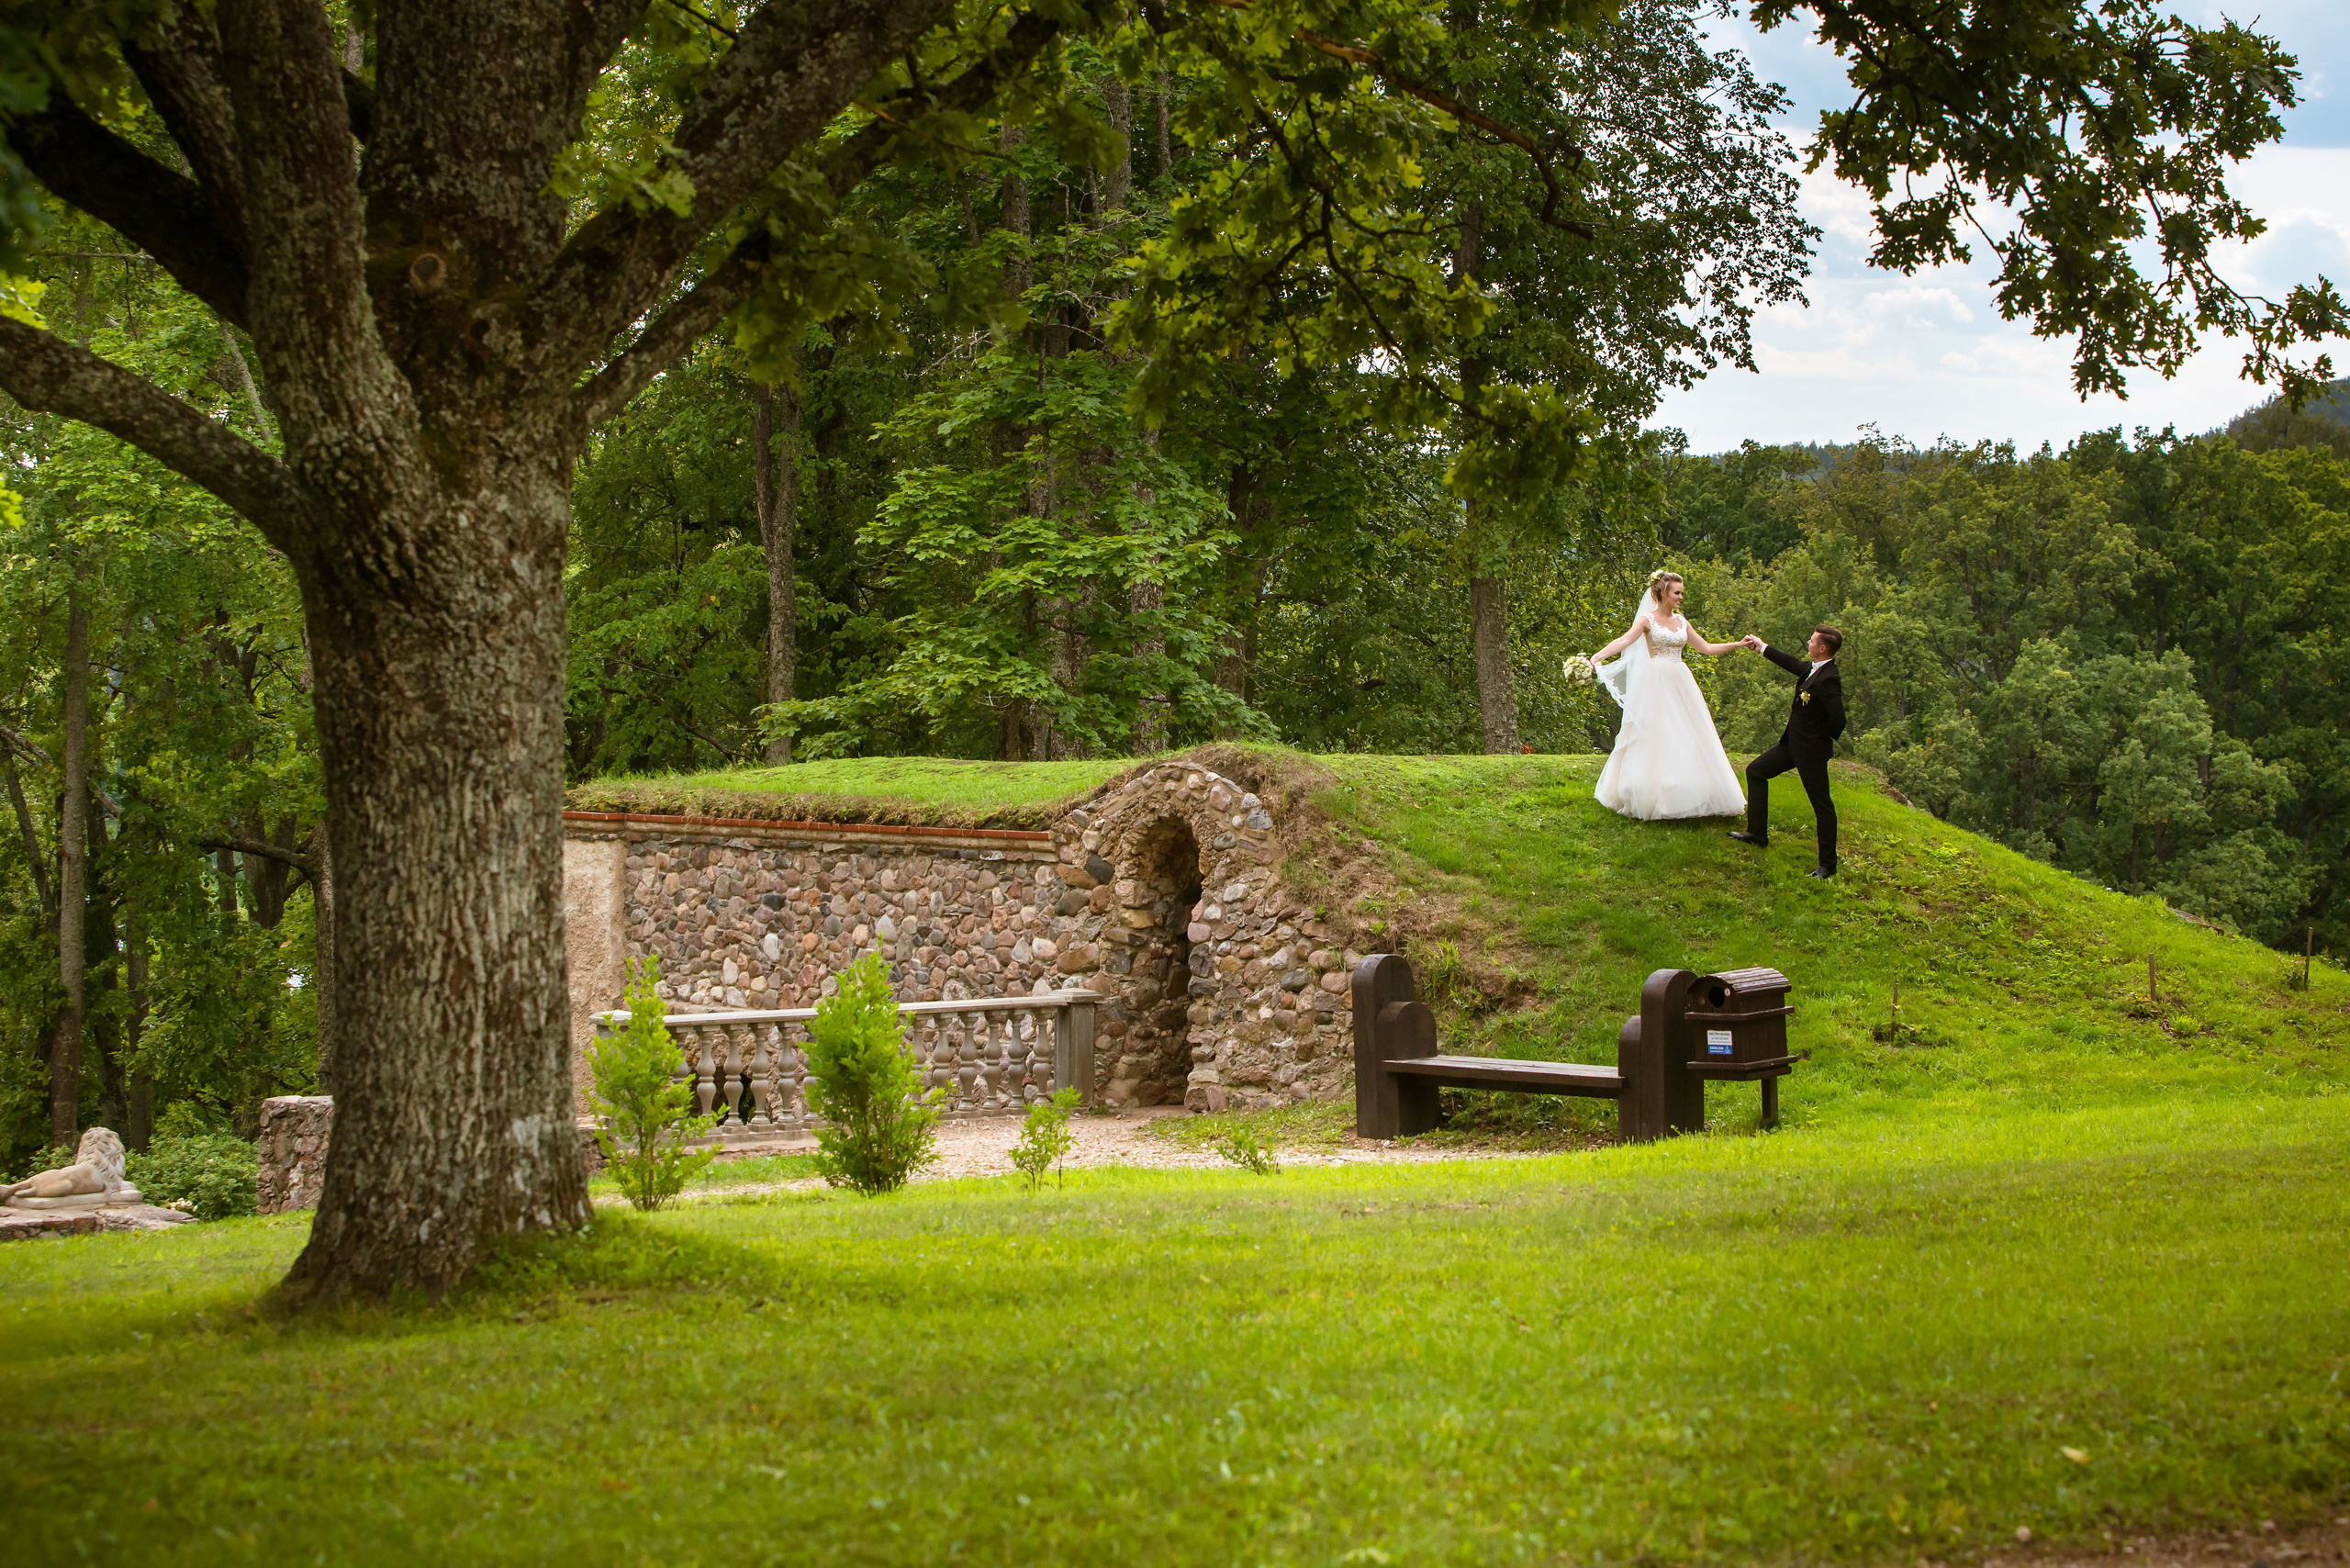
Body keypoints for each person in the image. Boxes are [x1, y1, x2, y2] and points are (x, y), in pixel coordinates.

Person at [1586, 570, 1753, 820]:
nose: (1681, 597)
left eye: (1681, 593)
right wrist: (1597, 657)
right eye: (1677, 593)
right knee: (1655, 734)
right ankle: (1652, 795)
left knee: (1687, 732)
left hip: (1680, 681)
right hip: (1654, 683)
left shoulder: (1682, 621)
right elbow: (1624, 641)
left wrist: (1737, 644)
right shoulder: (1646, 620)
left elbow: (1706, 648)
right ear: (1662, 593)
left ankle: (1686, 792)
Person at [1729, 625, 1847, 877]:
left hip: (1811, 753)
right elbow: (1792, 663)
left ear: (1823, 648)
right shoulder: (1814, 669)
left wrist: (1816, 741)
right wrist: (1762, 647)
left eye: (1812, 641)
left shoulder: (1829, 679)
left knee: (1822, 805)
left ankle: (1828, 865)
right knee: (1756, 772)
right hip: (1791, 745)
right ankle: (1757, 833)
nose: (1808, 642)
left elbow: (1838, 721)